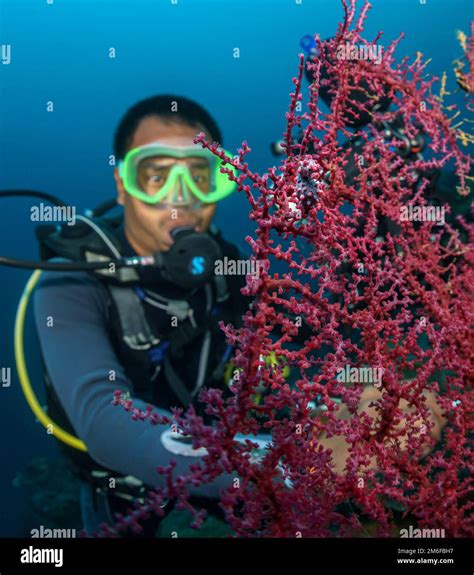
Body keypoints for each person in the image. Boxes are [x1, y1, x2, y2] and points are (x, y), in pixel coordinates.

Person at [33, 94, 251, 534]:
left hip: (227, 469)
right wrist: (281, 463)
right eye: (155, 175)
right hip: (127, 495)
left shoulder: (232, 272)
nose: (180, 199)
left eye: (200, 176)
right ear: (122, 184)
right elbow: (105, 419)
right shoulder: (69, 281)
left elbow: (299, 355)